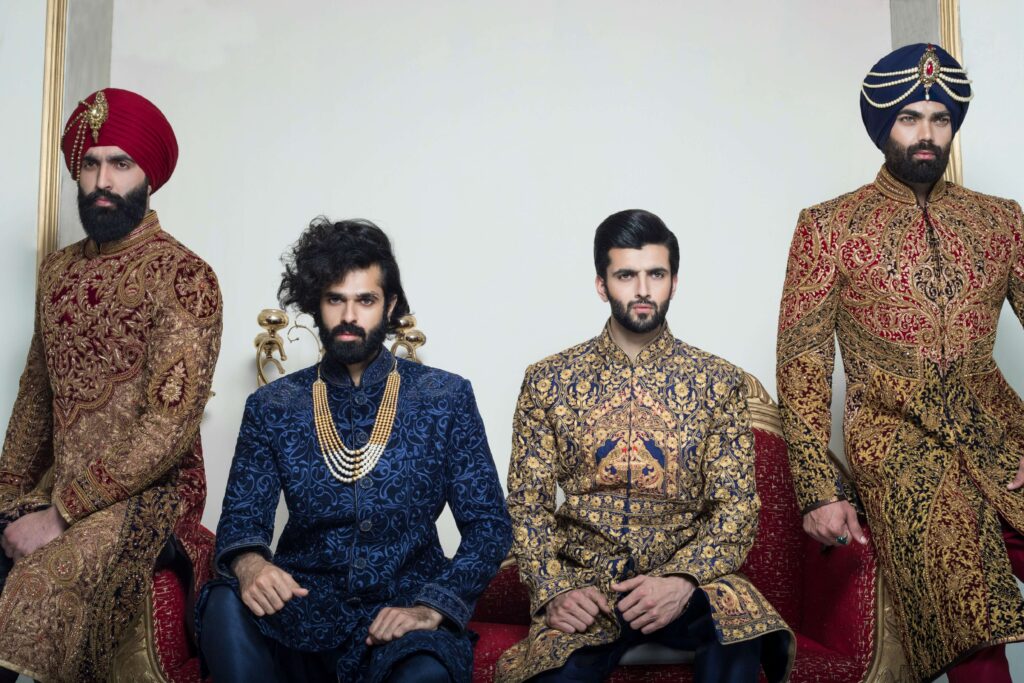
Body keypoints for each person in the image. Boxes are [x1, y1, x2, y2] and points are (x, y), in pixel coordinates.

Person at [777, 43, 1024, 682]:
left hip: (998, 432)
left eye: (940, 120)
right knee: (966, 609)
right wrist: (818, 489)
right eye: (910, 117)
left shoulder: (1000, 221)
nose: (926, 134)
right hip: (897, 443)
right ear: (882, 126)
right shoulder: (829, 227)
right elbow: (803, 363)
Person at [199, 218, 512, 683]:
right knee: (223, 600)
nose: (349, 316)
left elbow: (489, 526)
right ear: (315, 305)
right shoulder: (273, 406)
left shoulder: (445, 398)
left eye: (365, 300)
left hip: (402, 615)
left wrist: (431, 607)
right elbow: (242, 520)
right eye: (335, 299)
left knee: (424, 675)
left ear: (390, 306)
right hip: (298, 608)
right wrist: (250, 565)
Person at [498, 209, 793, 682]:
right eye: (626, 275)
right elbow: (526, 503)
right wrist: (554, 588)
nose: (642, 289)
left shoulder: (717, 382)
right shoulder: (549, 380)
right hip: (588, 585)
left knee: (740, 623)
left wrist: (681, 580)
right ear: (601, 285)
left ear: (674, 282)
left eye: (655, 274)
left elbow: (737, 506)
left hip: (687, 583)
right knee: (553, 673)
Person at [0, 88, 222, 682]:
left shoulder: (185, 277)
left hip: (150, 497)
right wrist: (6, 496)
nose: (103, 179)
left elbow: (167, 429)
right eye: (91, 162)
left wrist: (61, 514)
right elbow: (35, 395)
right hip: (58, 481)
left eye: (121, 164)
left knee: (37, 588)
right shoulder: (58, 269)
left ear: (148, 176)